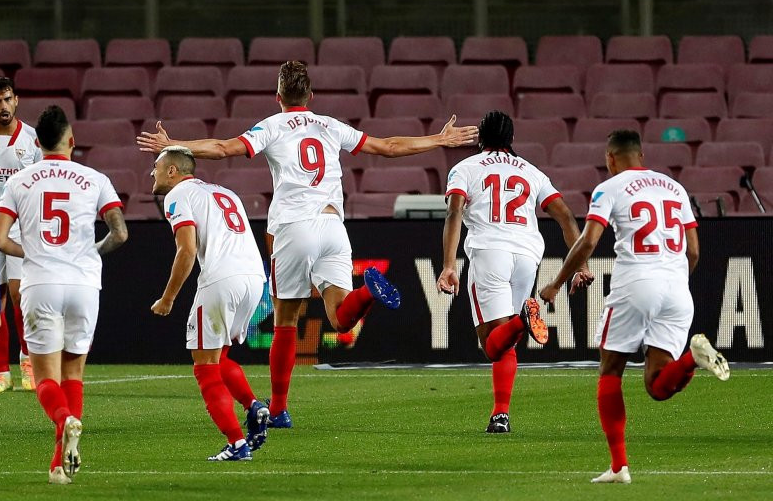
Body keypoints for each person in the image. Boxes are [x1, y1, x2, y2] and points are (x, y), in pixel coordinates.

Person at [137, 60, 478, 427]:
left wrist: (175, 145)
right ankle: (367, 292)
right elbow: (389, 146)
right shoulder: (330, 125)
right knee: (341, 317)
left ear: (278, 96)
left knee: (286, 320)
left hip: (293, 226)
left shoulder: (271, 125)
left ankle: (280, 409)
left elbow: (222, 149)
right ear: (311, 97)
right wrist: (440, 140)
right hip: (333, 224)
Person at [538, 130, 729, 484]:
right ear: (640, 155)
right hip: (677, 288)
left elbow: (588, 240)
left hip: (636, 284)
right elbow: (694, 251)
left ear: (610, 158)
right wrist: (673, 280)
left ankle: (618, 467)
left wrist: (555, 283)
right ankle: (693, 359)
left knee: (610, 370)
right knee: (658, 386)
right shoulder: (674, 187)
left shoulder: (609, 188)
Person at [437, 110, 593, 434]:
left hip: (489, 251)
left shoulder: (464, 169)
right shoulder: (532, 172)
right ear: (512, 140)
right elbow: (565, 217)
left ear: (480, 138)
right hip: (527, 256)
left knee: (491, 345)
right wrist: (582, 264)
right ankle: (500, 415)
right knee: (506, 344)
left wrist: (449, 266)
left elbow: (454, 212)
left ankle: (524, 319)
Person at [0, 105, 128, 484]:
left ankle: (63, 420)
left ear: (37, 143)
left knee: (45, 380)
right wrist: (88, 254)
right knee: (74, 374)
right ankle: (58, 466)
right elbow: (120, 233)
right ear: (72, 140)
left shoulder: (19, 181)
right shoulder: (95, 178)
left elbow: (1, 239)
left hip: (41, 283)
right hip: (85, 284)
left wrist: (35, 252)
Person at [149, 146, 270, 462]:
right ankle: (254, 406)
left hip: (221, 280)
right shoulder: (225, 192)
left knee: (203, 367)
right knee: (219, 356)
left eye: (157, 167)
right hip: (254, 279)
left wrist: (168, 298)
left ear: (173, 171)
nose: (152, 173)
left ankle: (237, 445)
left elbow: (186, 250)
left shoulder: (178, 196)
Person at [0, 76, 42, 393]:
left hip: (21, 226)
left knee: (18, 294)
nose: (3, 105)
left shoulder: (33, 140)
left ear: (16, 100)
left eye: (7, 98)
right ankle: (2, 373)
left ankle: (27, 364)